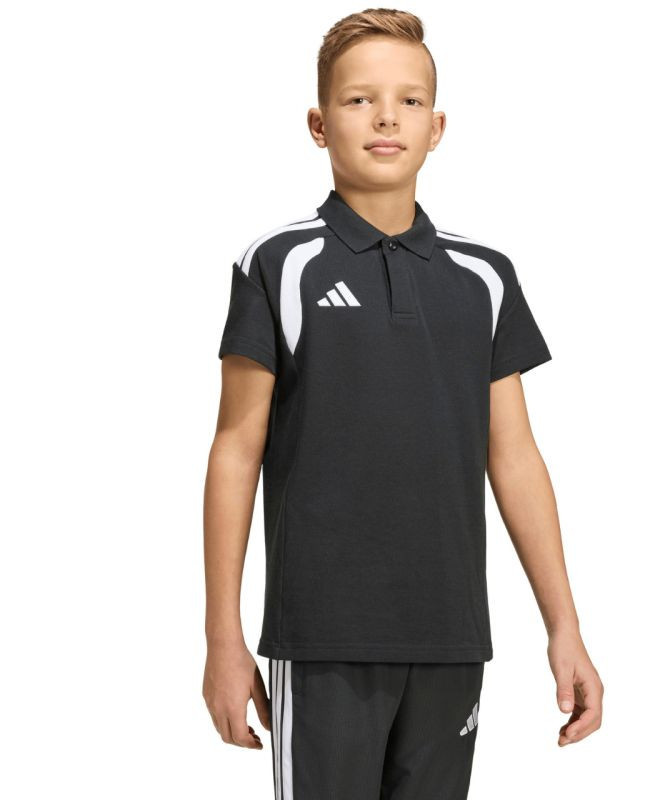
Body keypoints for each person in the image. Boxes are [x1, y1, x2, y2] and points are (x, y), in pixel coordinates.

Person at [203, 8, 603, 799]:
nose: (386, 117)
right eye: (359, 100)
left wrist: (566, 628)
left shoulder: (484, 277)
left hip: (452, 636)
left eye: (409, 101)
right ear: (319, 124)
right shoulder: (278, 263)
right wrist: (224, 637)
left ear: (436, 126)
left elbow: (514, 458)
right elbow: (235, 452)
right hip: (322, 640)